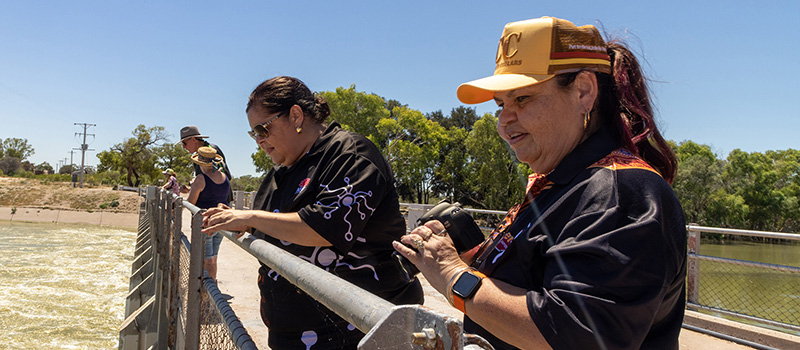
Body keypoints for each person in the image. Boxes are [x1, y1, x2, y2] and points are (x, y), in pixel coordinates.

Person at [394, 17, 687, 350]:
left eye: (523, 99)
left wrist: (452, 274)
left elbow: (574, 333)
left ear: (583, 91)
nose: (504, 123)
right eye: (501, 105)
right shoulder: (560, 183)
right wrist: (473, 258)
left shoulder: (622, 191)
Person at [201, 76, 423, 349]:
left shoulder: (350, 154)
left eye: (263, 129)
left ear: (296, 115)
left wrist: (250, 218)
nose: (259, 140)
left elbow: (322, 227)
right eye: (253, 133)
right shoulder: (282, 169)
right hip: (293, 334)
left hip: (355, 334)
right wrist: (238, 220)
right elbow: (271, 224)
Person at [187, 146, 230, 281]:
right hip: (220, 222)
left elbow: (190, 203)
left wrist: (193, 186)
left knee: (206, 259)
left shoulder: (200, 179)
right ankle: (213, 285)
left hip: (205, 224)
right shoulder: (224, 177)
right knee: (213, 257)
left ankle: (207, 292)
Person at [178, 125, 233, 200]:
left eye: (184, 143)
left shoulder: (211, 151)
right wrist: (191, 188)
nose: (183, 147)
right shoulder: (197, 157)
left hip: (218, 203)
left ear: (193, 140)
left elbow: (222, 177)